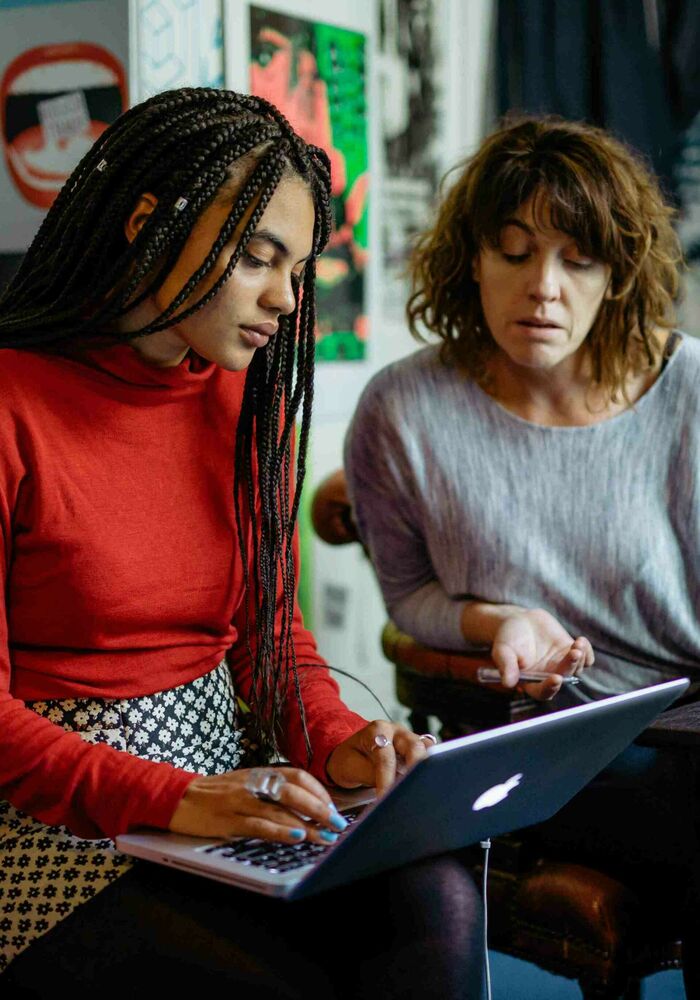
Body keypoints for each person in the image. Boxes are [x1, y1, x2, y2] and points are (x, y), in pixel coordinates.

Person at [0, 88, 485, 998]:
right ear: (147, 223)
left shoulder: (248, 406)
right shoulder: (11, 405)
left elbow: (270, 644)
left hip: (229, 788)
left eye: (298, 268)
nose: (284, 299)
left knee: (437, 900)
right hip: (50, 826)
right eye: (258, 257)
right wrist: (176, 798)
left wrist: (342, 745)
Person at [344, 115, 700, 994]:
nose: (543, 287)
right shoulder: (402, 410)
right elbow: (409, 598)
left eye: (579, 260)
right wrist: (495, 620)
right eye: (514, 251)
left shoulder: (689, 390)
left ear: (617, 275)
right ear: (472, 258)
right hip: (545, 751)